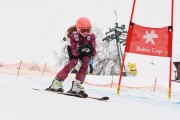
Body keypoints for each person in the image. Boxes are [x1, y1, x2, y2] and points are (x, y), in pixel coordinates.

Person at [47, 17, 96, 97]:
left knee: (86, 60)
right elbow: (74, 53)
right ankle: (57, 82)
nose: (85, 33)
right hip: (74, 50)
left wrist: (90, 49)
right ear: (77, 28)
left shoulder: (91, 36)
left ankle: (77, 85)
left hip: (84, 50)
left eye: (88, 30)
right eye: (83, 30)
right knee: (74, 62)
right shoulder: (74, 36)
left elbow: (94, 53)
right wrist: (79, 48)